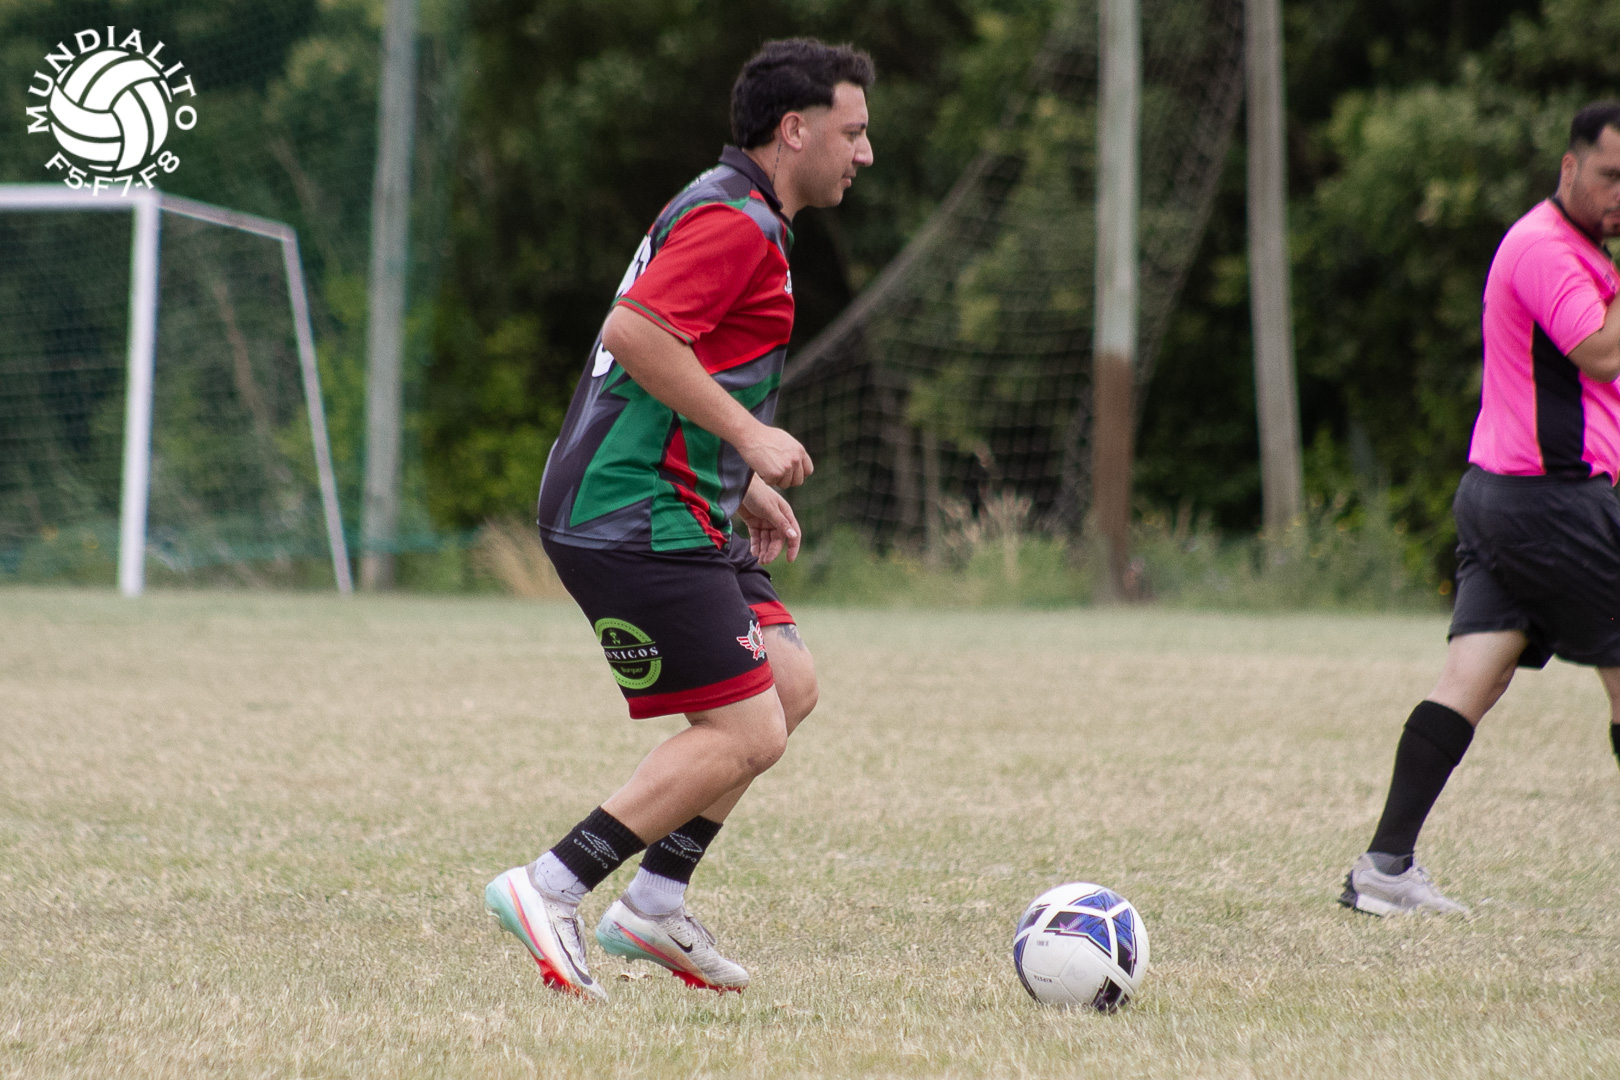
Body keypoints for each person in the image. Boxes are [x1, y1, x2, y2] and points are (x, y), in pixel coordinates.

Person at [484, 39, 875, 998]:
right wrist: (750, 435)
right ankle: (552, 884)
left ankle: (654, 904)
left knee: (787, 685)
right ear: (795, 129)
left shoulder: (736, 208)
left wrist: (737, 480)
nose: (864, 153)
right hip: (630, 511)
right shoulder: (736, 220)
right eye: (853, 131)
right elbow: (633, 335)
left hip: (680, 499)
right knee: (747, 731)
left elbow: (671, 361)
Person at [1340, 101, 1620, 916]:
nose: (1618, 195)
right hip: (1551, 503)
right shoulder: (1544, 246)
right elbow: (1600, 352)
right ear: (1569, 167)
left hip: (1507, 499)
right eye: (1609, 176)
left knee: (1474, 676)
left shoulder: (1586, 254)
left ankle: (1384, 868)